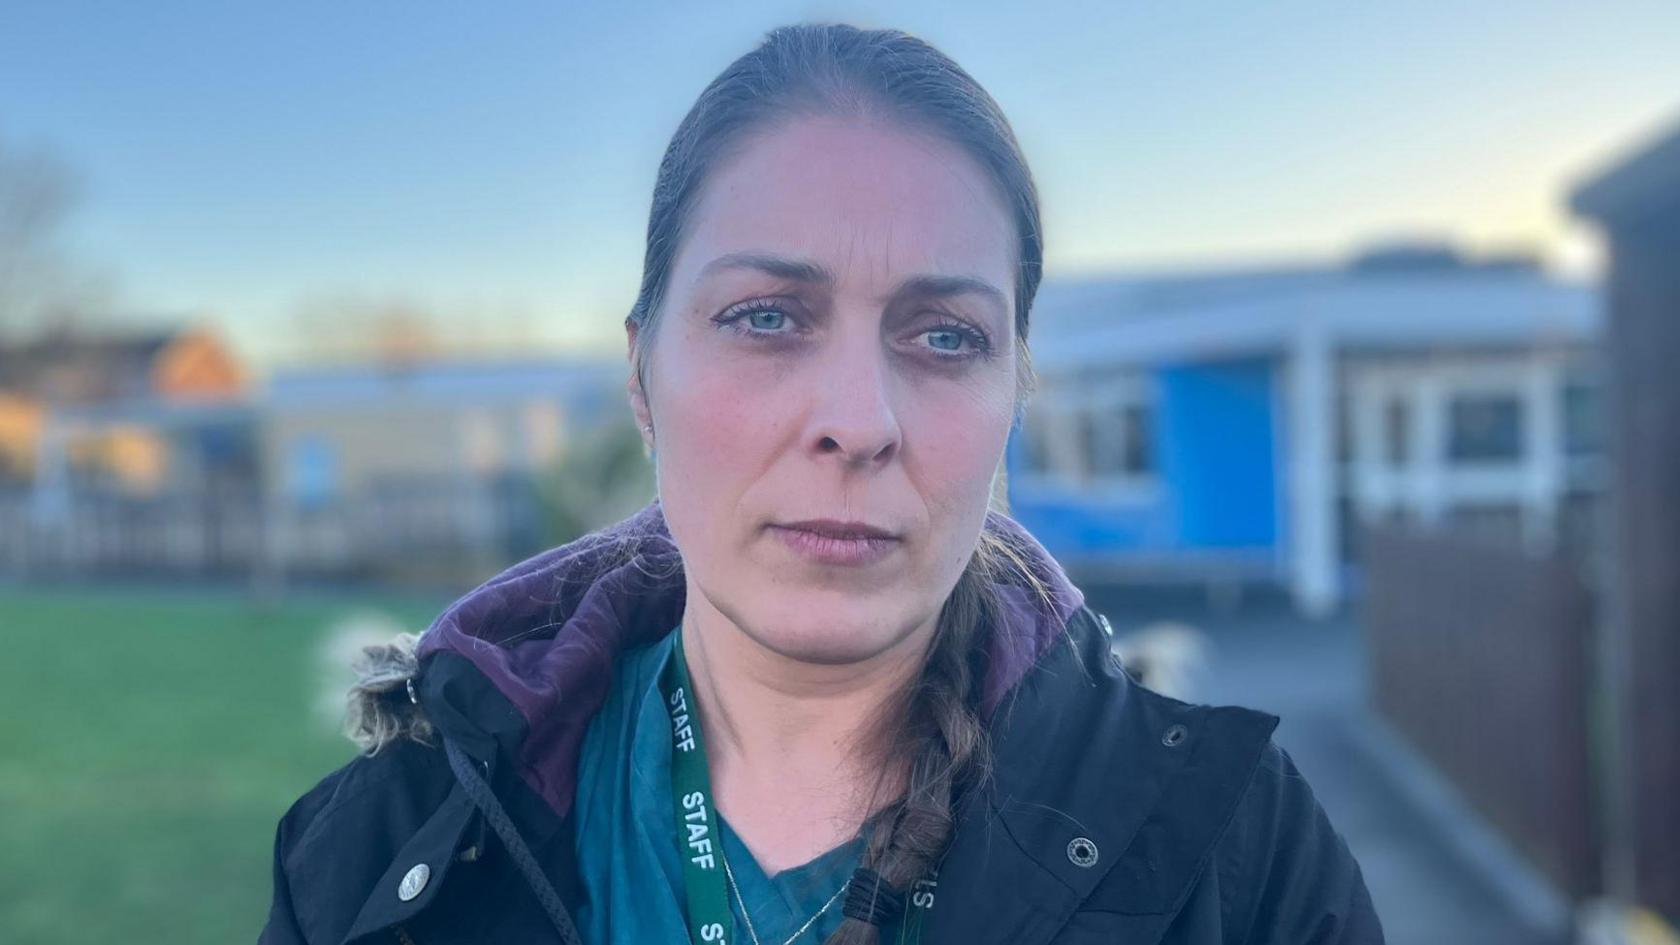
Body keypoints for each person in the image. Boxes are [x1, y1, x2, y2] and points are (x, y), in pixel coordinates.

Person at [260, 22, 1383, 945]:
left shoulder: (1240, 858)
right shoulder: (379, 856)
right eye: (765, 317)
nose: (858, 421)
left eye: (946, 337)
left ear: (1014, 398)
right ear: (643, 377)